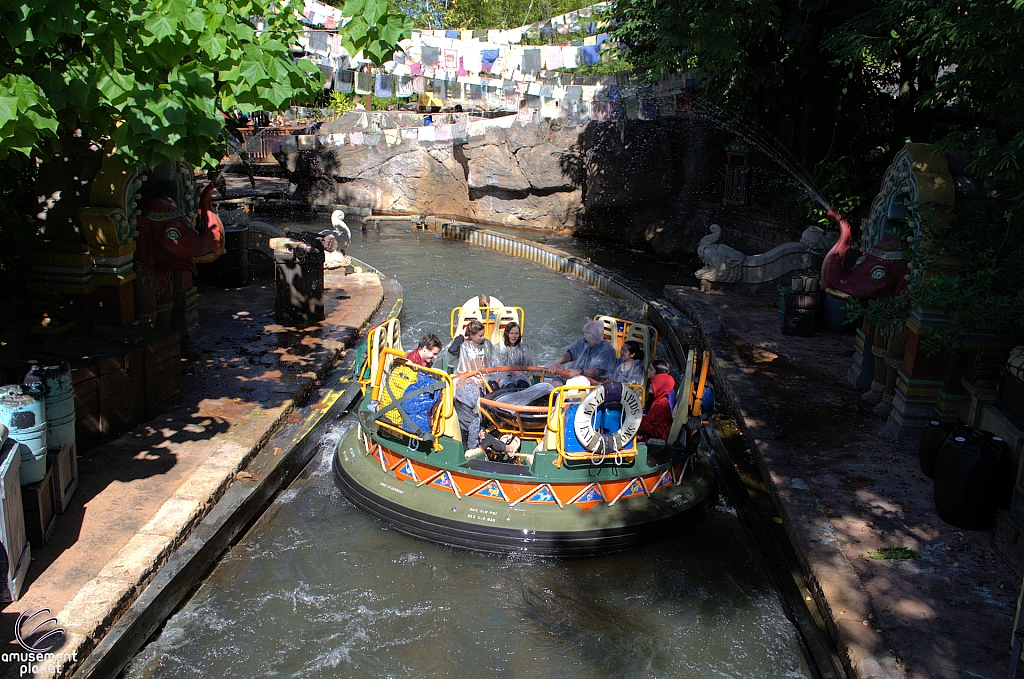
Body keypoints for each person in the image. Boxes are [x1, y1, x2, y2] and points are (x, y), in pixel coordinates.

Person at [546, 320, 616, 381]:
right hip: (575, 376)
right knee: (556, 382)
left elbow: (599, 372)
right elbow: (570, 353)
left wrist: (580, 371)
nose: (584, 337)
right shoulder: (583, 342)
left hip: (593, 383)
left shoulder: (608, 351)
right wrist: (558, 362)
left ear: (592, 336)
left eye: (586, 334)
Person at [638, 371, 675, 442]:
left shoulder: (662, 405)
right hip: (648, 436)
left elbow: (657, 432)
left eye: (655, 384)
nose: (651, 385)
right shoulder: (657, 401)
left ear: (661, 387)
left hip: (654, 441)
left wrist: (640, 421)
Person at [497, 321, 534, 387]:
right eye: (511, 333)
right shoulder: (500, 348)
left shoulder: (524, 347)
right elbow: (497, 367)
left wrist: (521, 373)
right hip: (506, 378)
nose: (514, 336)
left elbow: (530, 366)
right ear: (507, 334)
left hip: (521, 377)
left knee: (524, 386)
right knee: (511, 387)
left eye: (516, 333)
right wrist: (511, 371)